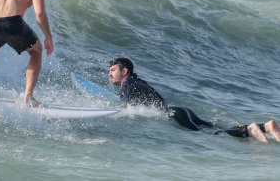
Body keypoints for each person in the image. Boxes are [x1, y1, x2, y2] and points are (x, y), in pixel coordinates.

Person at [108, 57, 280, 143]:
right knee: (215, 130)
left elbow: (127, 105)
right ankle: (264, 127)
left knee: (214, 135)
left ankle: (252, 128)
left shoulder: (127, 84)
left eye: (114, 69)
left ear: (125, 71)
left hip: (175, 113)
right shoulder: (137, 81)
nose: (110, 73)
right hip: (180, 110)